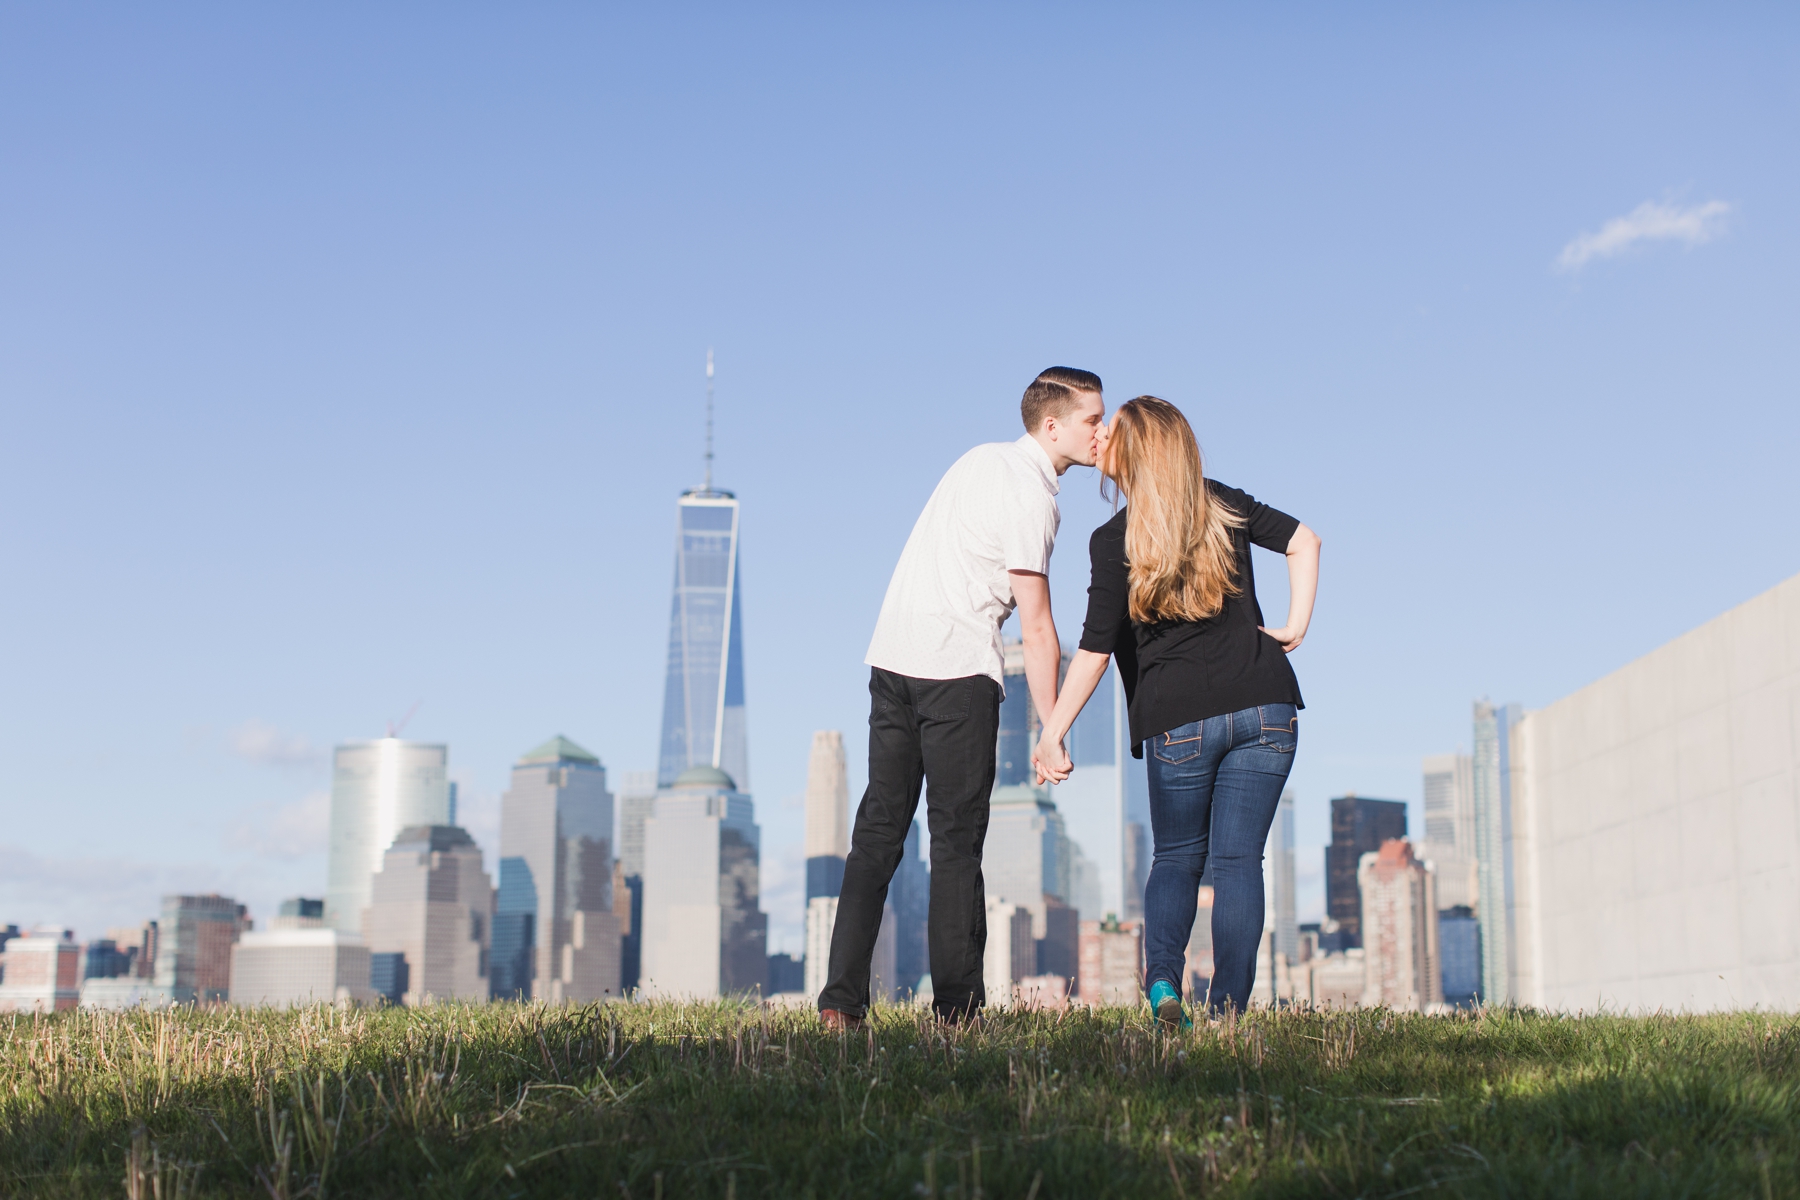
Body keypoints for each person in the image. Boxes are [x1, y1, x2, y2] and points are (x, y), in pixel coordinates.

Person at [818, 367, 1107, 1028]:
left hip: (891, 658)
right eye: (1094, 419)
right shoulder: (1032, 495)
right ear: (1052, 424)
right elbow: (1037, 626)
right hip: (956, 672)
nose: (1103, 432)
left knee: (878, 833)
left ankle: (840, 1005)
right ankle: (956, 1013)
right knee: (954, 844)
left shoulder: (978, 458)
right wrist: (1053, 728)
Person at [1033, 395, 1320, 1026]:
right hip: (1267, 706)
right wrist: (1296, 624)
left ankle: (1164, 986)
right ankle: (1227, 1015)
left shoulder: (1114, 540)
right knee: (1242, 861)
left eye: (1112, 433)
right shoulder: (1222, 504)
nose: (1100, 439)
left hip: (1179, 721)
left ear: (1134, 453)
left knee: (1176, 859)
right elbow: (1305, 539)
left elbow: (1094, 653)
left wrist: (1051, 731)